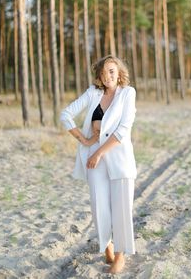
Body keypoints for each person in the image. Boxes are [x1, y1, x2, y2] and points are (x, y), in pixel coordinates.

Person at [60, 55, 137, 274]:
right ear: (99, 77)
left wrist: (99, 153)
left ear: (119, 72)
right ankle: (108, 249)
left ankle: (121, 256)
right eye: (103, 73)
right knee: (99, 206)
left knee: (122, 207)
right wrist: (84, 141)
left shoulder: (128, 94)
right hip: (94, 158)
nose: (108, 76)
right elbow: (65, 115)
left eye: (112, 71)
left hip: (117, 157)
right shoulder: (92, 93)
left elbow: (123, 130)